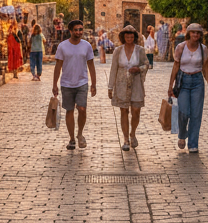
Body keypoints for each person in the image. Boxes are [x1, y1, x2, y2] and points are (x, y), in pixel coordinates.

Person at [169, 23, 208, 154]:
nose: (196, 35)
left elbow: (205, 68)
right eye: (193, 32)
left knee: (196, 114)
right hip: (183, 81)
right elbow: (175, 67)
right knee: (183, 112)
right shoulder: (181, 47)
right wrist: (170, 86)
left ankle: (193, 143)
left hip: (197, 82)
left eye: (198, 33)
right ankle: (182, 135)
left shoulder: (203, 49)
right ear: (189, 33)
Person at [51, 18, 96, 150]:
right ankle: (71, 139)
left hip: (82, 82)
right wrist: (55, 84)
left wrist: (93, 84)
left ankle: (80, 134)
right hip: (66, 83)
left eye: (80, 29)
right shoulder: (62, 46)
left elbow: (91, 65)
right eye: (76, 30)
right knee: (69, 110)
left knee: (82, 109)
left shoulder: (86, 46)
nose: (78, 32)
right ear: (70, 31)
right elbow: (58, 66)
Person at [107, 25, 149, 150]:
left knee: (136, 110)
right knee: (124, 110)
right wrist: (110, 87)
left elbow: (146, 65)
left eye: (131, 36)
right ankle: (125, 138)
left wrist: (139, 69)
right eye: (127, 36)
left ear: (134, 37)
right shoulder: (118, 51)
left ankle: (133, 133)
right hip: (121, 83)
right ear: (123, 37)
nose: (129, 38)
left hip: (136, 83)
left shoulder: (140, 50)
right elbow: (113, 68)